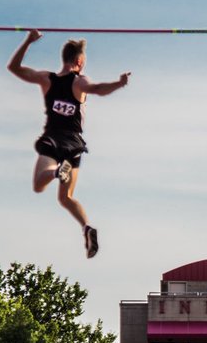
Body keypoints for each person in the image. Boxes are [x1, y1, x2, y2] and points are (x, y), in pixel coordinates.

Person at [7, 30, 131, 259]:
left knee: (38, 184)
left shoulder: (47, 79)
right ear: (80, 61)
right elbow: (98, 90)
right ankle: (86, 227)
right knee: (66, 198)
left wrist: (28, 41)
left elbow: (13, 68)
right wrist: (119, 84)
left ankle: (56, 172)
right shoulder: (80, 82)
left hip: (53, 138)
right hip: (74, 143)